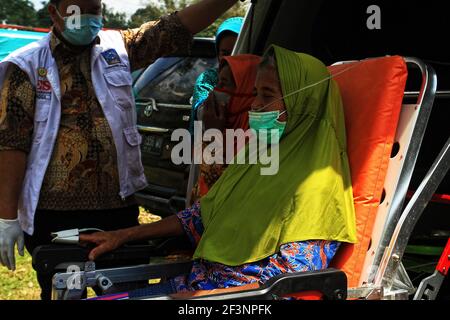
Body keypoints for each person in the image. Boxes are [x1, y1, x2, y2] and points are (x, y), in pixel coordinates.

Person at [0, 0, 242, 300]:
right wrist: (7, 217)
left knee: (127, 292)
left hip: (117, 214)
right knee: (65, 292)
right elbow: (12, 145)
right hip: (54, 219)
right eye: (79, 9)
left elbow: (175, 27)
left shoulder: (118, 48)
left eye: (94, 9)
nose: (87, 17)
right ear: (54, 12)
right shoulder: (25, 66)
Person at [80, 45, 358, 299]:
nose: (255, 105)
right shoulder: (258, 154)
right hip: (194, 286)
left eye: (267, 95)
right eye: (255, 93)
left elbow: (286, 285)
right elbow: (200, 216)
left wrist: (196, 301)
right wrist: (122, 235)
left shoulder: (317, 187)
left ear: (303, 105)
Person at [191, 54, 261, 202]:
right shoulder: (223, 123)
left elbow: (221, 189)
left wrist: (213, 136)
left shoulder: (257, 137)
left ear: (247, 88)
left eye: (223, 84)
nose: (215, 91)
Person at [189, 17, 244, 134]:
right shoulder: (208, 79)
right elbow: (204, 114)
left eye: (237, 51)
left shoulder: (252, 78)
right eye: (225, 53)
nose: (230, 59)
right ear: (218, 53)